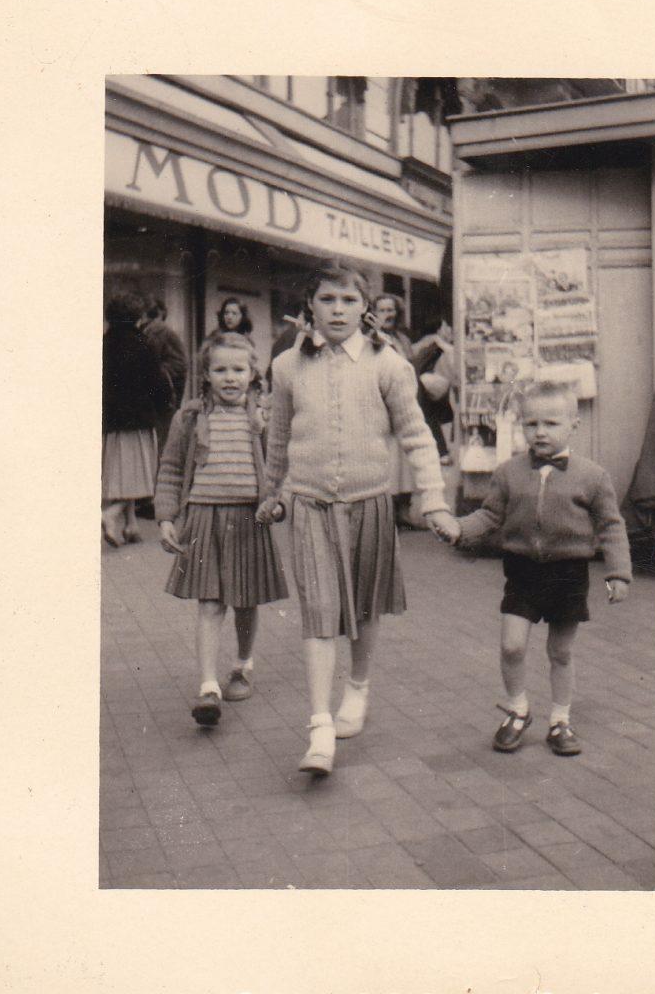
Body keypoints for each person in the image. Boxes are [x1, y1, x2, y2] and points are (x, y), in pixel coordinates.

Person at [257, 262, 459, 776]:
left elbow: (416, 435)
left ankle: (359, 686)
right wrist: (272, 492)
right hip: (308, 504)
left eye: (349, 301)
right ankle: (319, 729)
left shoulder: (388, 364)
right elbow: (277, 439)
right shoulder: (285, 367)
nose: (338, 310)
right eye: (328, 300)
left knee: (364, 608)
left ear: (365, 308)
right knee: (320, 611)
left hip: (371, 502)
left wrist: (432, 497)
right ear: (311, 307)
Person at [447, 380, 632, 757]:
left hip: (569, 573)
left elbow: (611, 526)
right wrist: (458, 530)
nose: (540, 432)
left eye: (550, 423)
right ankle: (517, 710)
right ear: (521, 425)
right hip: (523, 572)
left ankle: (560, 720)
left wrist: (618, 572)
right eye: (531, 424)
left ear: (572, 425)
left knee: (560, 651)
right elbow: (489, 515)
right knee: (512, 645)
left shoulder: (593, 476)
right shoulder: (508, 473)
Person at [155, 332, 288, 727]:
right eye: (220, 369)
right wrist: (165, 517)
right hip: (203, 519)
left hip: (250, 519)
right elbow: (172, 468)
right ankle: (208, 685)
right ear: (206, 375)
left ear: (252, 373)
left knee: (245, 601)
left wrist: (276, 502)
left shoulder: (262, 417)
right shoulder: (191, 418)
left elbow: (280, 469)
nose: (230, 378)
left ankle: (242, 665)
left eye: (238, 369)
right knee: (210, 603)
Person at [102, 292, 171, 546]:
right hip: (139, 420)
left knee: (124, 474)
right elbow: (158, 384)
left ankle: (131, 526)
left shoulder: (104, 343)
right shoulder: (144, 344)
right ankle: (111, 515)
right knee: (141, 476)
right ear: (136, 317)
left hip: (111, 424)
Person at [372, 293, 415, 526]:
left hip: (404, 401)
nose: (388, 315)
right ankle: (386, 511)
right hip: (381, 404)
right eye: (382, 310)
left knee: (405, 458)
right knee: (387, 458)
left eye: (391, 310)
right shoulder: (370, 338)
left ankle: (404, 511)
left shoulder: (402, 339)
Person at [139, 297, 188, 456]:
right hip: (167, 391)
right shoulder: (155, 330)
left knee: (162, 440)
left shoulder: (156, 331)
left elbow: (150, 363)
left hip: (162, 393)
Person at [413, 318, 455, 465]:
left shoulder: (429, 344)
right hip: (421, 386)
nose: (450, 329)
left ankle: (442, 450)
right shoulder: (433, 342)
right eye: (446, 326)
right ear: (438, 329)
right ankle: (441, 450)